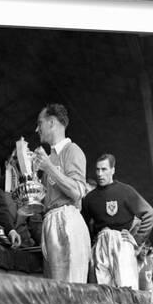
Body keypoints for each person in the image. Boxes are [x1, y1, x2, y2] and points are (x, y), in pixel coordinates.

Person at [32, 103, 91, 282]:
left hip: (67, 219)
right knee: (54, 291)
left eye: (39, 123)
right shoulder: (48, 158)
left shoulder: (72, 150)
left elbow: (77, 191)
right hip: (50, 221)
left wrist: (49, 168)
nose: (37, 129)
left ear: (51, 123)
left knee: (70, 289)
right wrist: (30, 176)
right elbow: (42, 199)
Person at [82, 153, 153, 289]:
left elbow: (149, 214)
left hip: (122, 243)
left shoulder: (125, 191)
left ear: (112, 170)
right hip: (100, 246)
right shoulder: (89, 199)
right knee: (103, 290)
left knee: (127, 287)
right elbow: (84, 226)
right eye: (97, 169)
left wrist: (137, 239)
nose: (99, 173)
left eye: (104, 169)